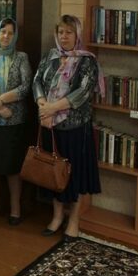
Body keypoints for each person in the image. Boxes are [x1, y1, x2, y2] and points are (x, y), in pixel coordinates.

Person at [33, 14, 104, 240]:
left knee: (75, 176)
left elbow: (83, 92)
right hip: (50, 127)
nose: (64, 37)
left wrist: (52, 108)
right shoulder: (50, 56)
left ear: (77, 35)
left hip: (75, 129)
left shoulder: (87, 61)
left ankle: (73, 220)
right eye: (61, 32)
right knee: (54, 173)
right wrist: (42, 103)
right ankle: (56, 217)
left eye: (69, 32)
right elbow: (37, 81)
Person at [0, 18, 32, 226]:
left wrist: (2, 99)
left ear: (15, 36)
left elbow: (25, 87)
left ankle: (15, 209)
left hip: (15, 122)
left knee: (14, 168)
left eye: (10, 33)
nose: (6, 36)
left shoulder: (21, 57)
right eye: (3, 31)